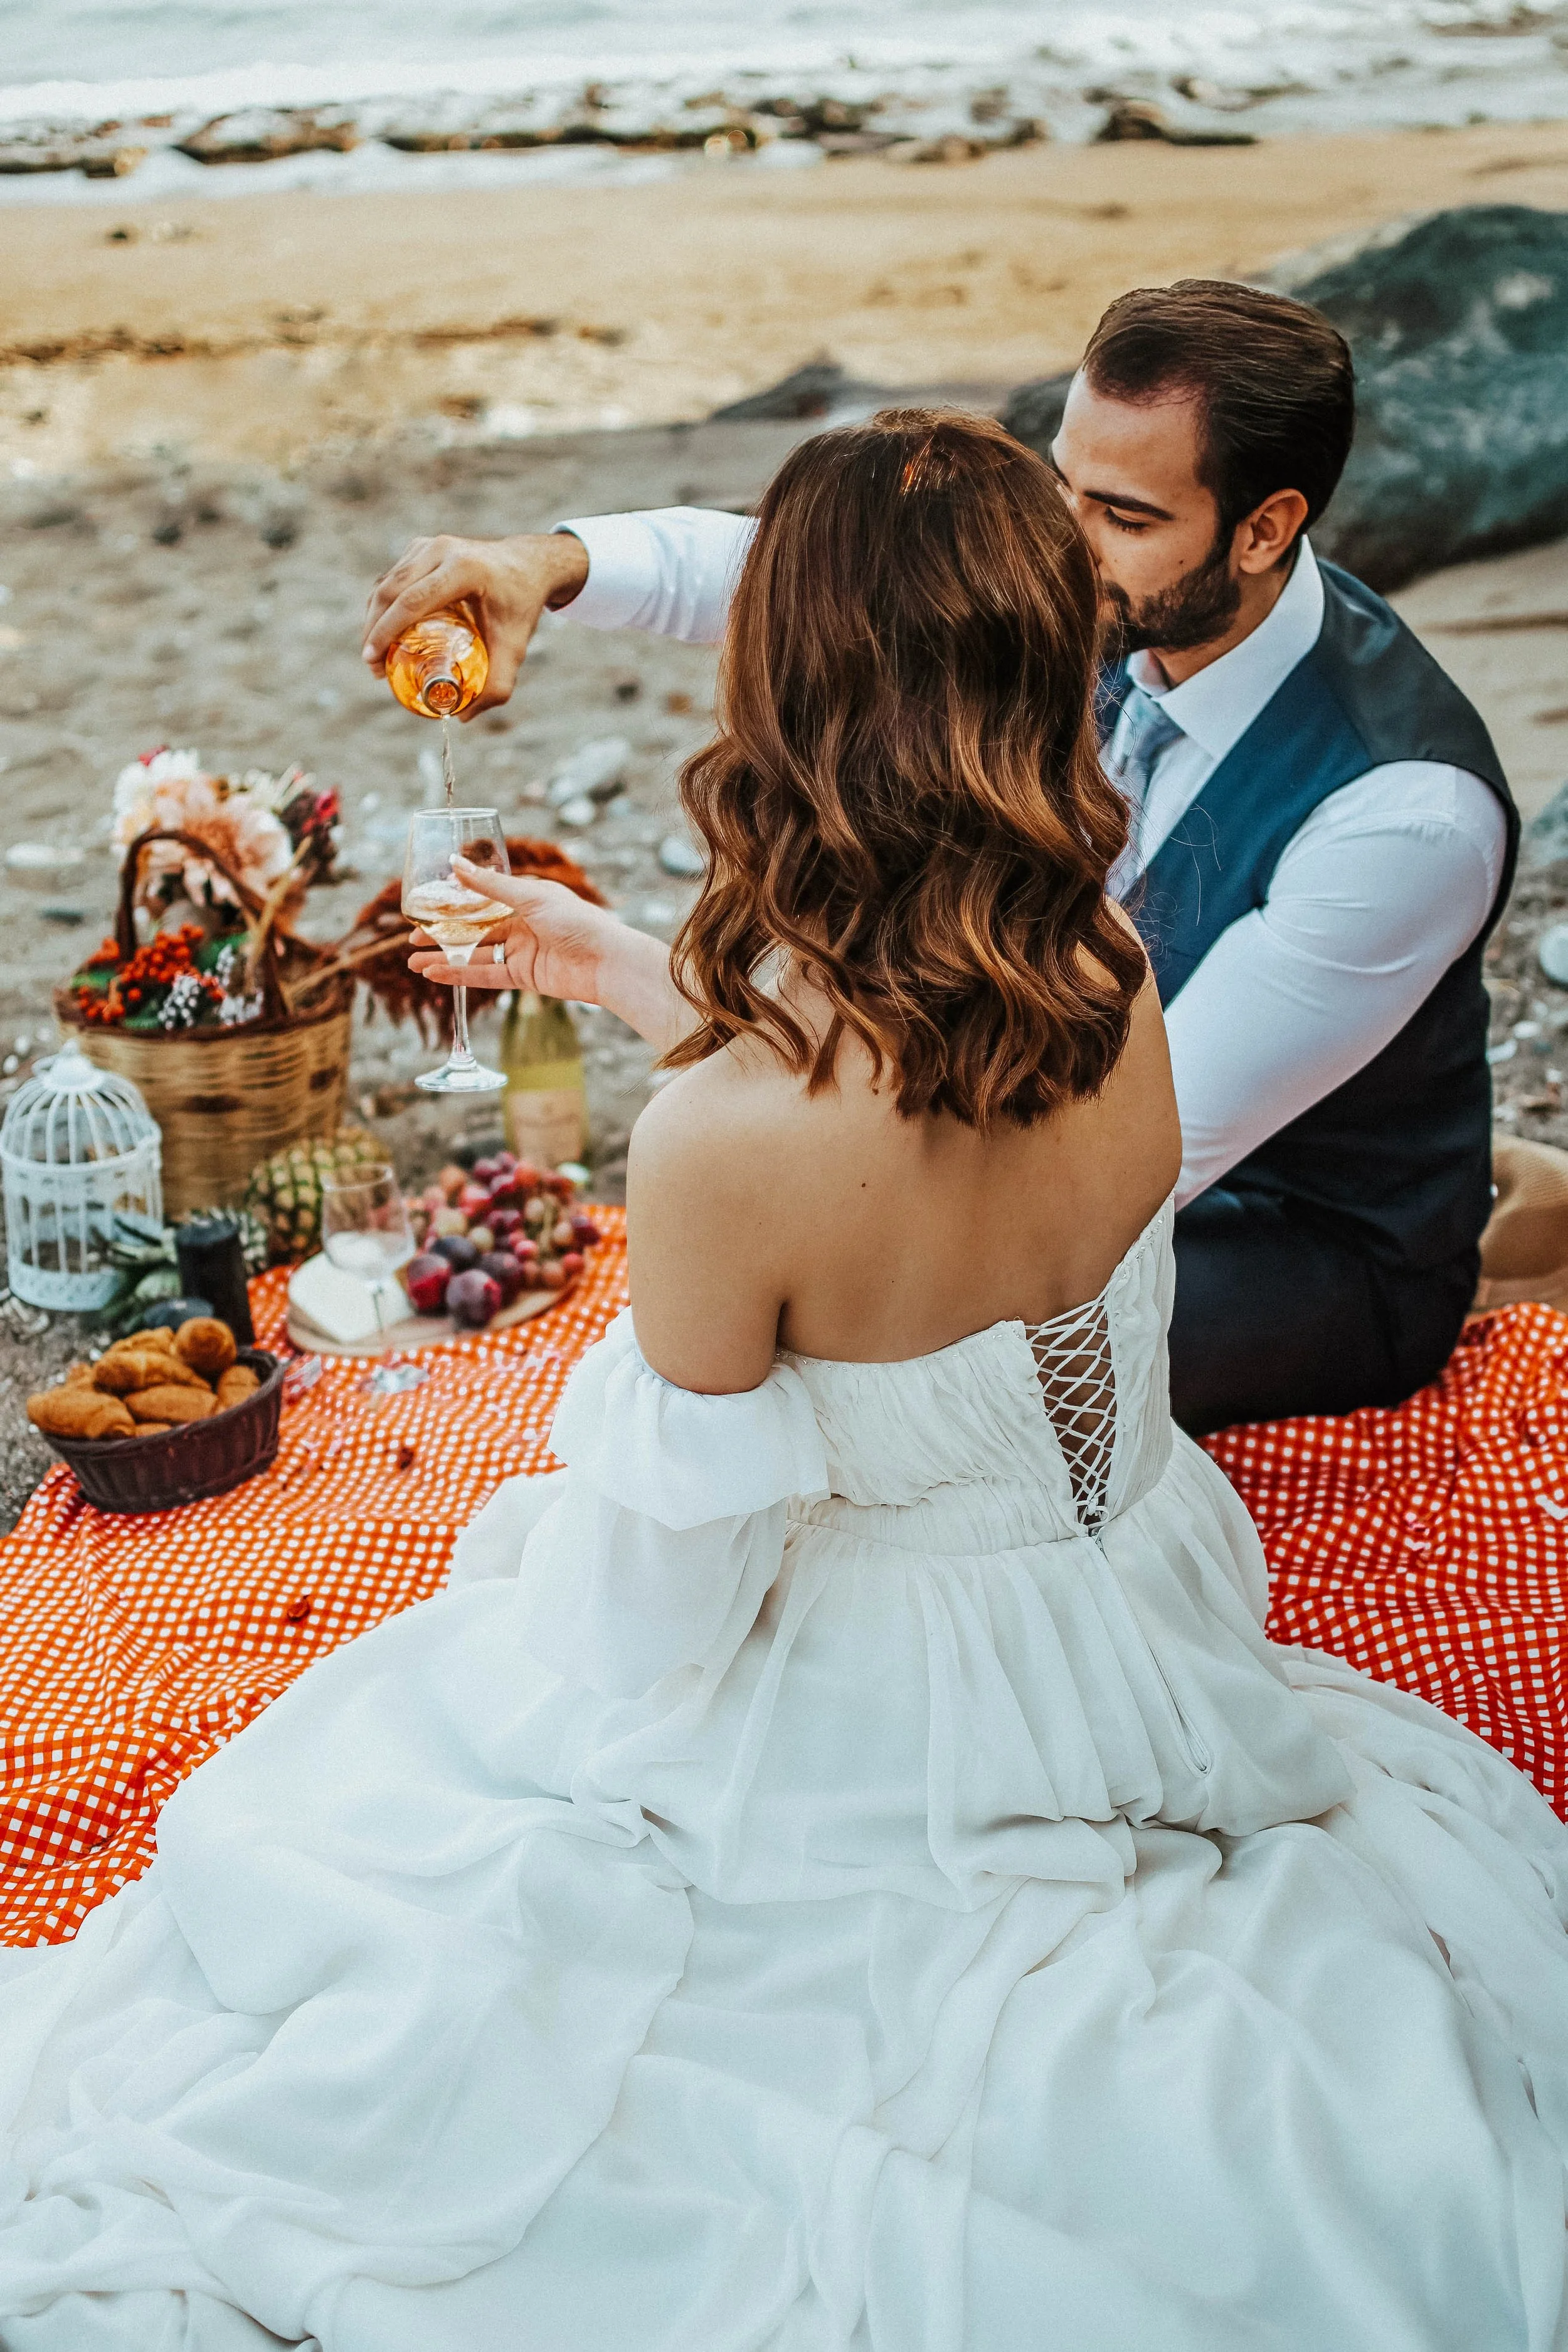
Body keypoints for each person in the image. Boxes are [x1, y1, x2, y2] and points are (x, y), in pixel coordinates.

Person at [3, 411, 1563, 2352]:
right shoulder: (1107, 964)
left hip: (887, 1728)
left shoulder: (720, 1149)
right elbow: (904, 1090)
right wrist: (604, 960)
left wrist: (532, 1592)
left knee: (419, 1759)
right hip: (1129, 1615)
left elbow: (671, 1591)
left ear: (784, 702)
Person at [364, 280, 1518, 1439]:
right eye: (1058, 487)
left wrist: (737, 1136)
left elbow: (1080, 1158)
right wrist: (546, 564)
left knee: (837, 1366)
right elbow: (820, 581)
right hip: (1043, 1118)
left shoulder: (1406, 815)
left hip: (1283, 1243)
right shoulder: (1133, 596)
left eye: (1119, 514)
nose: (1060, 551)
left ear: (1265, 528)